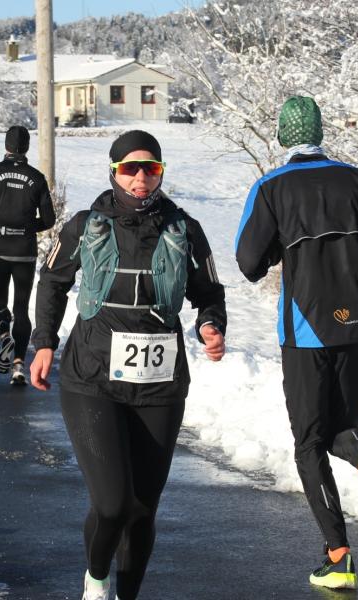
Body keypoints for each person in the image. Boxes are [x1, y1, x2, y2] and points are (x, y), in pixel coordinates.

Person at [30, 130, 227, 600]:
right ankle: (95, 582)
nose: (141, 178)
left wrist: (210, 326)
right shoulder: (85, 224)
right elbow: (52, 282)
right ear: (114, 172)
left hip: (160, 384)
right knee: (113, 503)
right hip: (92, 377)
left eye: (151, 168)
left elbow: (209, 294)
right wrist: (42, 343)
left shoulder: (185, 229)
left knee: (142, 508)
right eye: (130, 169)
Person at [234, 96, 358, 590]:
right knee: (340, 424)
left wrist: (277, 247)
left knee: (309, 442)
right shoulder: (357, 178)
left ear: (282, 135)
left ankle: (339, 558)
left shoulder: (271, 187)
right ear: (321, 131)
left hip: (306, 329)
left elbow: (248, 264)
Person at [0, 125, 55, 385]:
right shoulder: (37, 178)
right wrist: (28, 228)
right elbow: (49, 219)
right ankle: (18, 365)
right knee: (21, 308)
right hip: (24, 252)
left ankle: (5, 336)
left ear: (6, 146)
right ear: (27, 147)